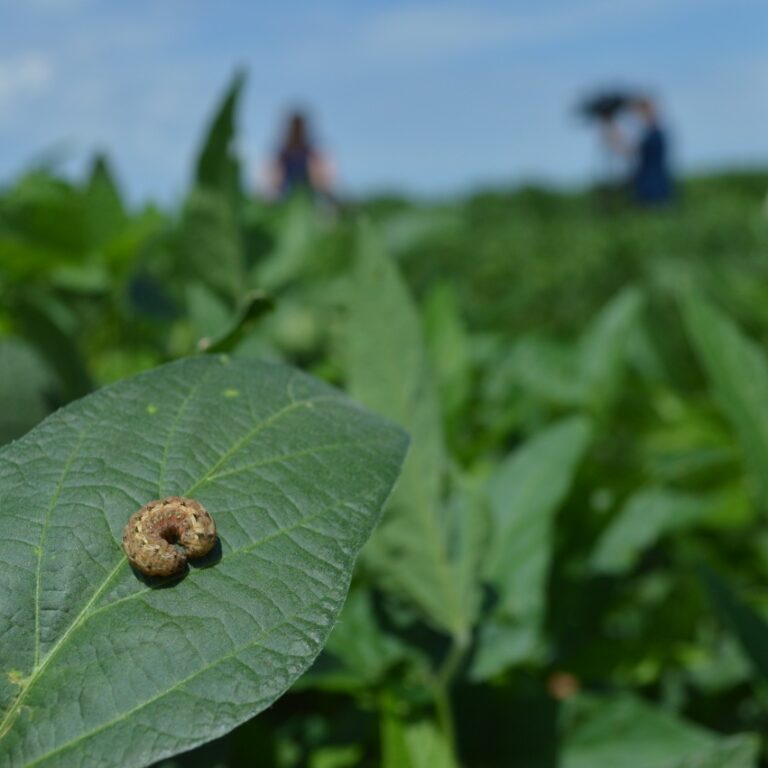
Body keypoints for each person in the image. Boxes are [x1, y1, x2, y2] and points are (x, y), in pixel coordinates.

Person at [601, 96, 674, 206]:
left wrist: (612, 135)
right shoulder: (654, 133)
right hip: (655, 183)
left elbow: (629, 151)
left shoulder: (652, 135)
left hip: (651, 186)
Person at [267, 110, 334, 202]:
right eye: (295, 128)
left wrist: (327, 193)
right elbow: (275, 179)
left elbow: (320, 178)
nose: (297, 132)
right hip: (286, 197)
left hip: (308, 197)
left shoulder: (311, 153)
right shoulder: (283, 154)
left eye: (299, 128)